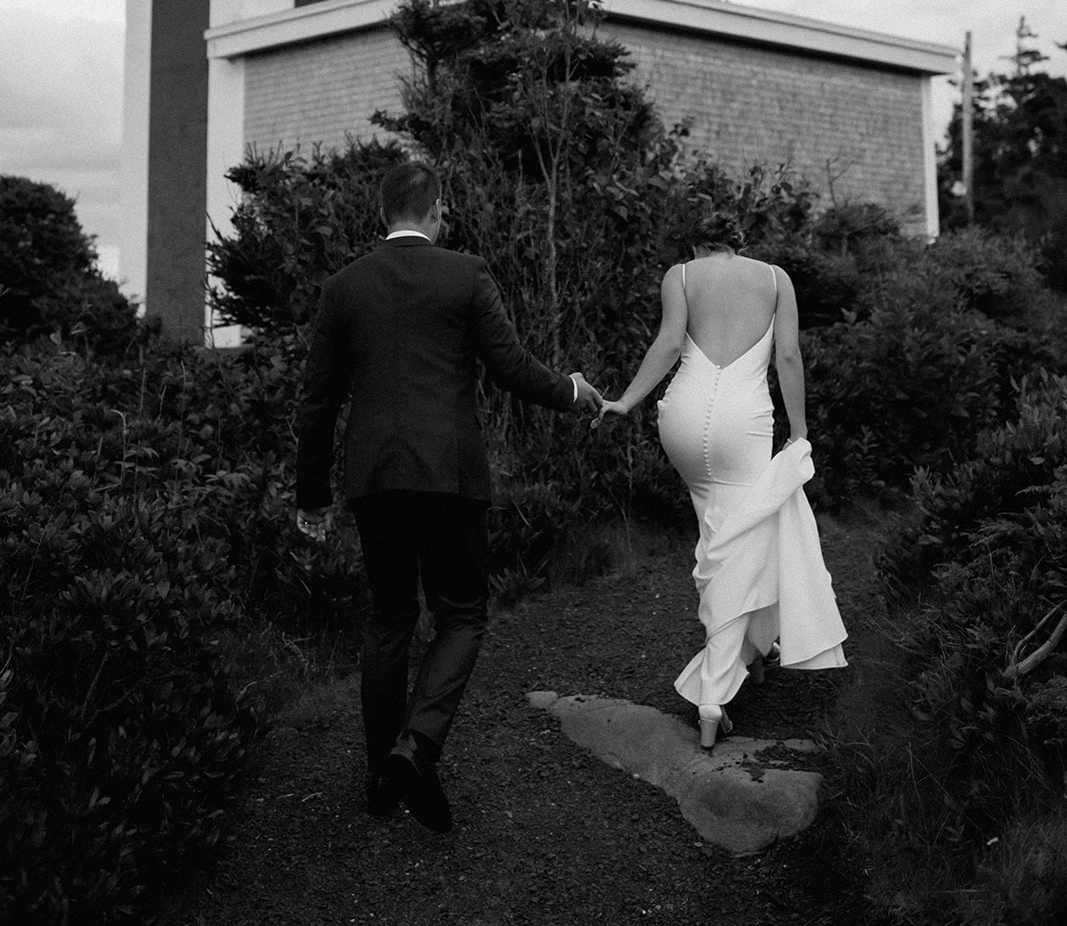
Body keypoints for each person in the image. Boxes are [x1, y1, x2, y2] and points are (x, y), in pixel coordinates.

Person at [295, 160, 603, 833]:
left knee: (388, 621)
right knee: (461, 617)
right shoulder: (465, 275)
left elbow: (316, 401)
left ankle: (384, 778)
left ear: (384, 213)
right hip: (450, 475)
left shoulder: (343, 287)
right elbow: (511, 366)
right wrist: (572, 392)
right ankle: (414, 746)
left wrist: (311, 494)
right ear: (435, 211)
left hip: (374, 478)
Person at [593, 204, 846, 747]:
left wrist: (624, 402)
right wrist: (799, 433)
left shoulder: (680, 276)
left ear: (694, 245)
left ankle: (747, 656)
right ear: (738, 241)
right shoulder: (775, 279)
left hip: (682, 418)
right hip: (743, 423)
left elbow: (667, 344)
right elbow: (788, 356)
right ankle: (714, 692)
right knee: (748, 538)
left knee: (722, 537)